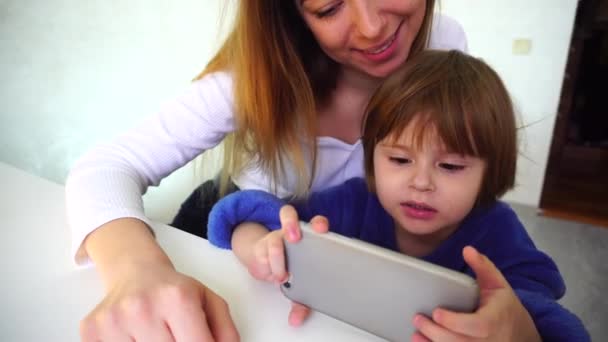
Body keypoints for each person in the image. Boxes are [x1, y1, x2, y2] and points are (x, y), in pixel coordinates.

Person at [66, 1, 469, 340]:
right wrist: (136, 269)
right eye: (328, 8)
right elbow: (108, 166)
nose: (371, 27)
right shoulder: (247, 81)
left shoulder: (445, 44)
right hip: (239, 225)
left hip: (342, 257)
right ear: (293, 14)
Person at [207, 50, 591, 341]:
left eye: (451, 166)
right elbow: (243, 214)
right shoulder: (354, 201)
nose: (421, 182)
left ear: (491, 171)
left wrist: (520, 330)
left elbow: (557, 321)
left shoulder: (498, 230)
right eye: (400, 159)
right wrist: (260, 246)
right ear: (372, 155)